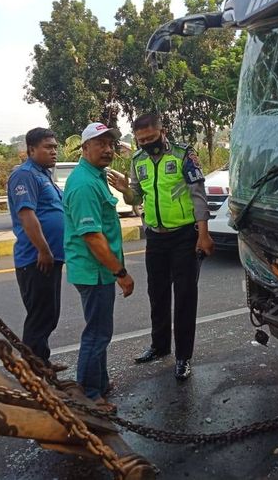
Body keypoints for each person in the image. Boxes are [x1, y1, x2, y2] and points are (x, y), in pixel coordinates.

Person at [108, 113, 214, 381]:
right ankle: (159, 345)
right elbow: (137, 196)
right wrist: (124, 190)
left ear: (162, 132)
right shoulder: (138, 160)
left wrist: (204, 234)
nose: (146, 143)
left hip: (184, 236)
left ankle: (183, 358)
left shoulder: (183, 155)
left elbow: (198, 195)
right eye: (141, 140)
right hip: (155, 236)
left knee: (185, 297)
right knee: (157, 293)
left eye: (151, 138)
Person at [64, 122, 134, 412]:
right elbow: (93, 237)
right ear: (85, 148)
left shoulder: (96, 176)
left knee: (100, 329)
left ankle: (100, 382)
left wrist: (127, 190)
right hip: (95, 271)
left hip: (98, 270)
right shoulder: (83, 184)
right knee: (97, 333)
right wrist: (121, 273)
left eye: (110, 144)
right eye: (100, 144)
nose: (107, 150)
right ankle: (91, 395)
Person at [7, 127, 64, 368]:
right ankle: (34, 372)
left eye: (55, 147)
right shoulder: (25, 175)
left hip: (50, 257)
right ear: (31, 150)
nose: (54, 151)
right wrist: (43, 249)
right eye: (48, 147)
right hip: (36, 259)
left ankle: (42, 363)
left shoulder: (43, 174)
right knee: (40, 316)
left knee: (48, 315)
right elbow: (27, 215)